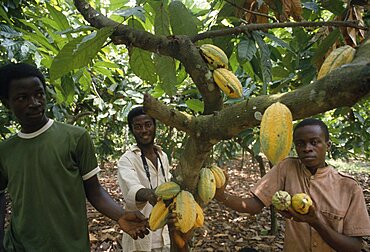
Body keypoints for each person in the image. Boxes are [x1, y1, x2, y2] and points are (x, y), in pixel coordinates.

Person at [0, 63, 149, 251]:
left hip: (70, 245)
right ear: (7, 102)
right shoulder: (5, 151)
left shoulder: (75, 137)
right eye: (22, 98)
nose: (35, 103)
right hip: (20, 245)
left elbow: (94, 191)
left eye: (39, 94)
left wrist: (120, 215)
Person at [215, 118, 370, 251]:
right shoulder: (287, 168)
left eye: (314, 142)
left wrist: (315, 222)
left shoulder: (349, 186)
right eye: (300, 144)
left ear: (328, 145)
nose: (307, 148)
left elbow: (355, 247)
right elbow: (255, 205)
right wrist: (221, 196)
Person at [117, 106, 171, 252]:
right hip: (141, 233)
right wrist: (151, 195)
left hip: (165, 235)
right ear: (132, 130)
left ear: (154, 126)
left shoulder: (162, 156)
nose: (144, 130)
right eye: (138, 127)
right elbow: (132, 189)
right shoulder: (127, 160)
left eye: (148, 125)